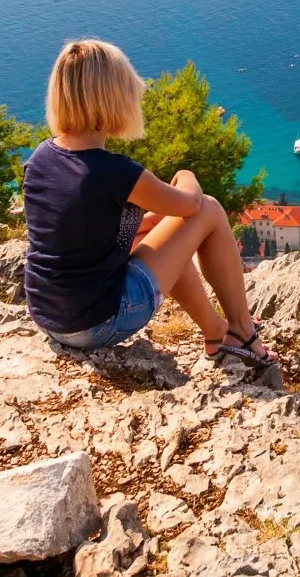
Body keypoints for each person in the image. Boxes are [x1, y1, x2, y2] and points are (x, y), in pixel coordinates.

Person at [21, 38, 275, 367]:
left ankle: (216, 332)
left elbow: (80, 234)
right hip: (96, 325)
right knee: (210, 208)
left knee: (155, 232)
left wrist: (154, 222)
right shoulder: (115, 172)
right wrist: (185, 174)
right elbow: (192, 204)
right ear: (113, 99)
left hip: (49, 316)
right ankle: (241, 330)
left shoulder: (41, 158)